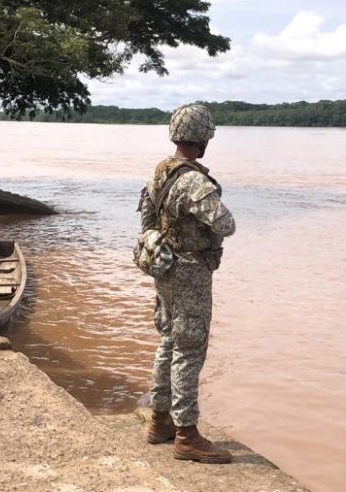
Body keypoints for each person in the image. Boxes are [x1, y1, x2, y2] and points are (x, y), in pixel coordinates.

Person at [137, 104, 236, 464]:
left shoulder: (159, 174)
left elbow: (147, 221)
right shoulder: (194, 180)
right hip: (191, 273)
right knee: (190, 349)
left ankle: (159, 420)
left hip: (164, 268)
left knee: (168, 342)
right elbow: (226, 224)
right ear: (204, 139)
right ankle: (187, 434)